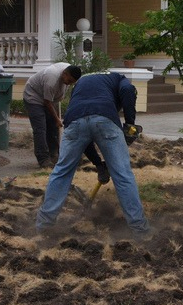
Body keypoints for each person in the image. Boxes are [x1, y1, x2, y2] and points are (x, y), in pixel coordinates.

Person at [35, 72, 149, 235]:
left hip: (74, 121)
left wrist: (99, 165)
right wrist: (130, 124)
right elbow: (128, 91)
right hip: (105, 120)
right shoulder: (120, 79)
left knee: (61, 172)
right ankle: (139, 229)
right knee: (123, 175)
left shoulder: (82, 85)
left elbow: (85, 136)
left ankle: (44, 224)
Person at [23, 62, 82, 168]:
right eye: (69, 81)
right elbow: (47, 102)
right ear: (64, 73)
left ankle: (54, 154)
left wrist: (57, 120)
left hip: (50, 99)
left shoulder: (69, 70)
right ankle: (43, 159)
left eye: (72, 82)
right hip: (34, 97)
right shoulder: (51, 80)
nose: (69, 84)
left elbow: (55, 99)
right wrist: (57, 119)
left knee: (53, 127)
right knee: (40, 128)